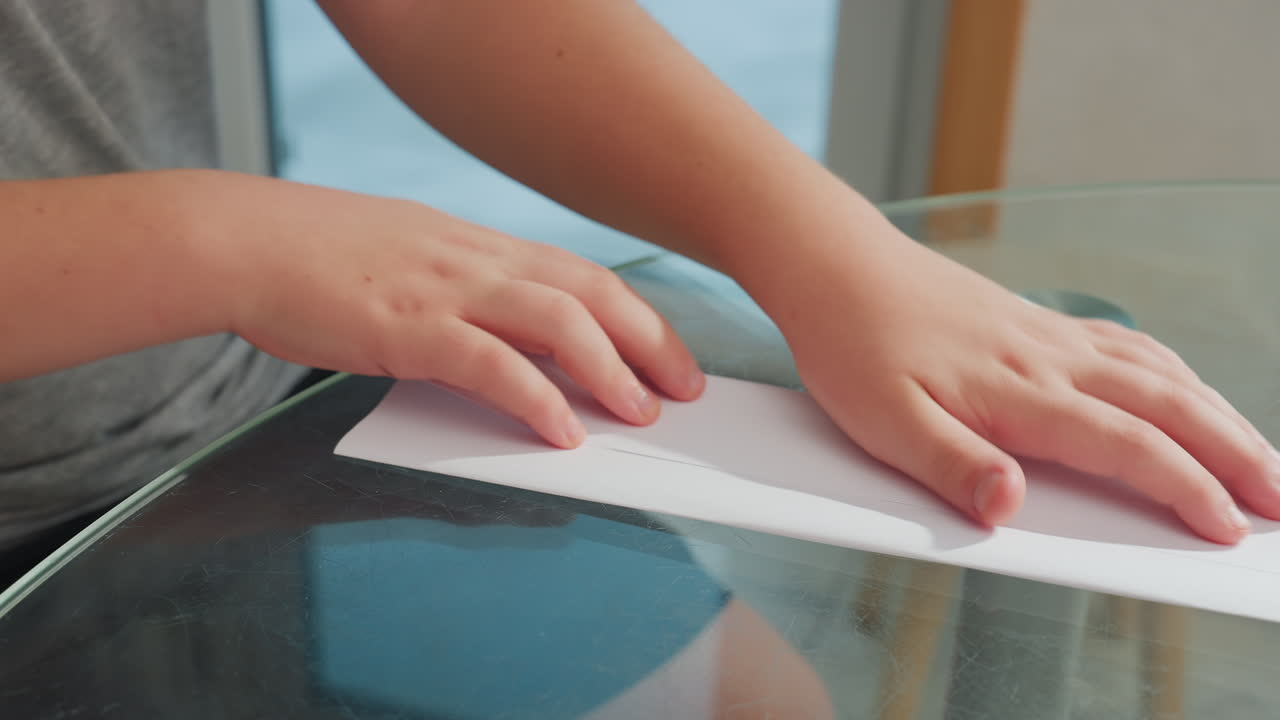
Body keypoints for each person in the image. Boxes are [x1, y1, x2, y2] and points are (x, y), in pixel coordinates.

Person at [2, 0, 1277, 579]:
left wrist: (827, 250)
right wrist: (229, 242)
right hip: (130, 418)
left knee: (752, 685)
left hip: (196, 402)